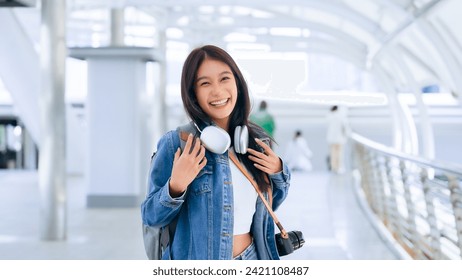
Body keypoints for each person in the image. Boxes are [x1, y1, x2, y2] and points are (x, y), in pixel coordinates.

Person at [141, 45, 291, 260]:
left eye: (224, 79)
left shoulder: (255, 140)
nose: (217, 91)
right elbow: (151, 217)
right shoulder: (178, 143)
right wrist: (176, 186)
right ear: (194, 93)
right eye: (205, 83)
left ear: (237, 83)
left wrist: (278, 172)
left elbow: (266, 209)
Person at [326, 105, 349, 173]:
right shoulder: (341, 117)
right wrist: (346, 135)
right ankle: (339, 167)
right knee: (339, 154)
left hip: (331, 139)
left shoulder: (329, 116)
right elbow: (345, 127)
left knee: (333, 154)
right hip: (340, 139)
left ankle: (334, 168)